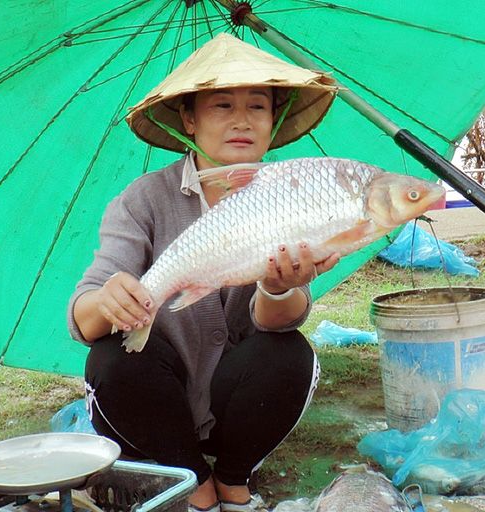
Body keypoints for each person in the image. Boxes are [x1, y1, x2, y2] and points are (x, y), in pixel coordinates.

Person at [67, 33, 339, 512]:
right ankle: (191, 478)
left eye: (258, 105)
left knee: (289, 354)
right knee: (111, 358)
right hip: (160, 389)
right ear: (189, 119)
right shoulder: (143, 199)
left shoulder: (292, 192)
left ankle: (234, 477)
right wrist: (109, 299)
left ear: (274, 120)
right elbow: (86, 318)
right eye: (221, 106)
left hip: (232, 388)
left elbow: (281, 320)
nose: (241, 120)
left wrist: (279, 289)